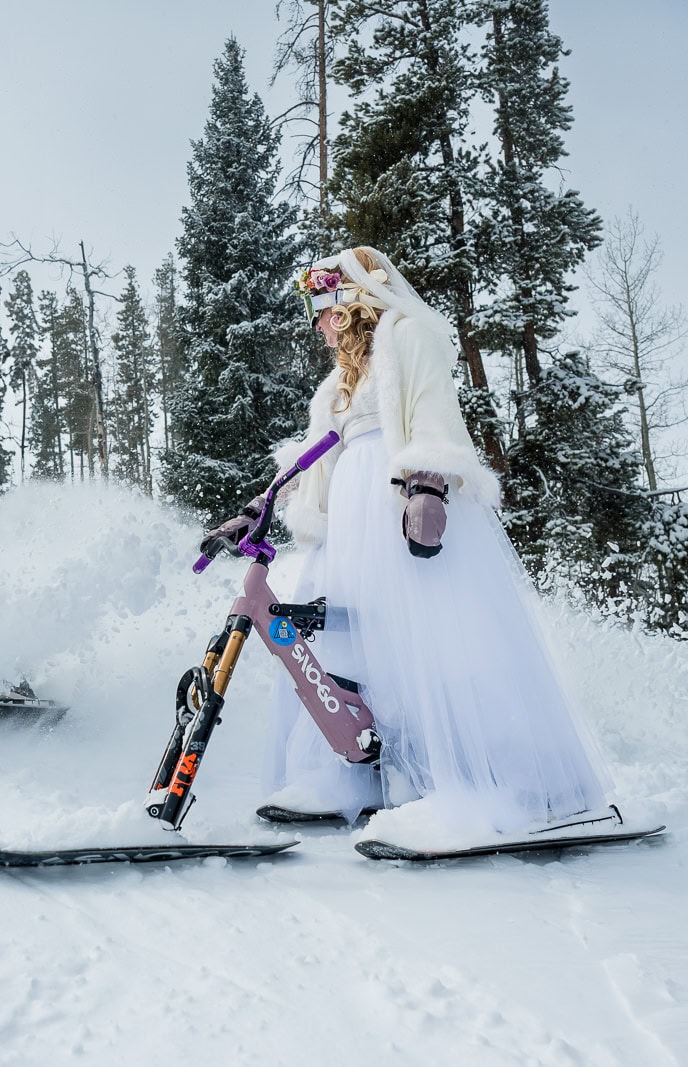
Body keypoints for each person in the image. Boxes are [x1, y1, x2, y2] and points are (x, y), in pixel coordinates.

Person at [202, 246, 612, 838]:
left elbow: (432, 412)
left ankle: (440, 783)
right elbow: (314, 456)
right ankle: (346, 776)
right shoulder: (336, 386)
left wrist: (428, 485)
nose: (319, 325)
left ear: (353, 302)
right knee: (341, 643)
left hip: (396, 503)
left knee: (418, 640)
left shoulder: (408, 335)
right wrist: (259, 505)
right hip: (348, 520)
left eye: (325, 310)